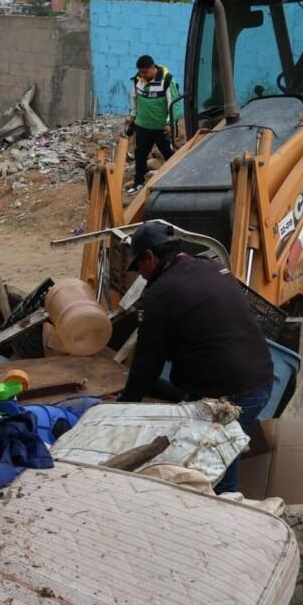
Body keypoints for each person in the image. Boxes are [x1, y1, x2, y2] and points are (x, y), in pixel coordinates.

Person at [118, 221, 274, 495]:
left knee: (212, 469)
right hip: (260, 378)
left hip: (233, 396)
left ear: (150, 257)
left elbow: (147, 364)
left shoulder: (159, 294)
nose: (140, 275)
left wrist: (122, 408)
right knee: (206, 446)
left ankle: (227, 512)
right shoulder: (211, 267)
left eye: (138, 267)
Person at [126, 55, 181, 196]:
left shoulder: (167, 81)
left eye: (145, 72)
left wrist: (170, 123)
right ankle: (138, 183)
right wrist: (132, 116)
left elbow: (174, 104)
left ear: (153, 68)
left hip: (161, 128)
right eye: (140, 72)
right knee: (140, 155)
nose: (142, 75)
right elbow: (134, 98)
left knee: (169, 155)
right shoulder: (138, 80)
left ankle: (178, 182)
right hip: (142, 126)